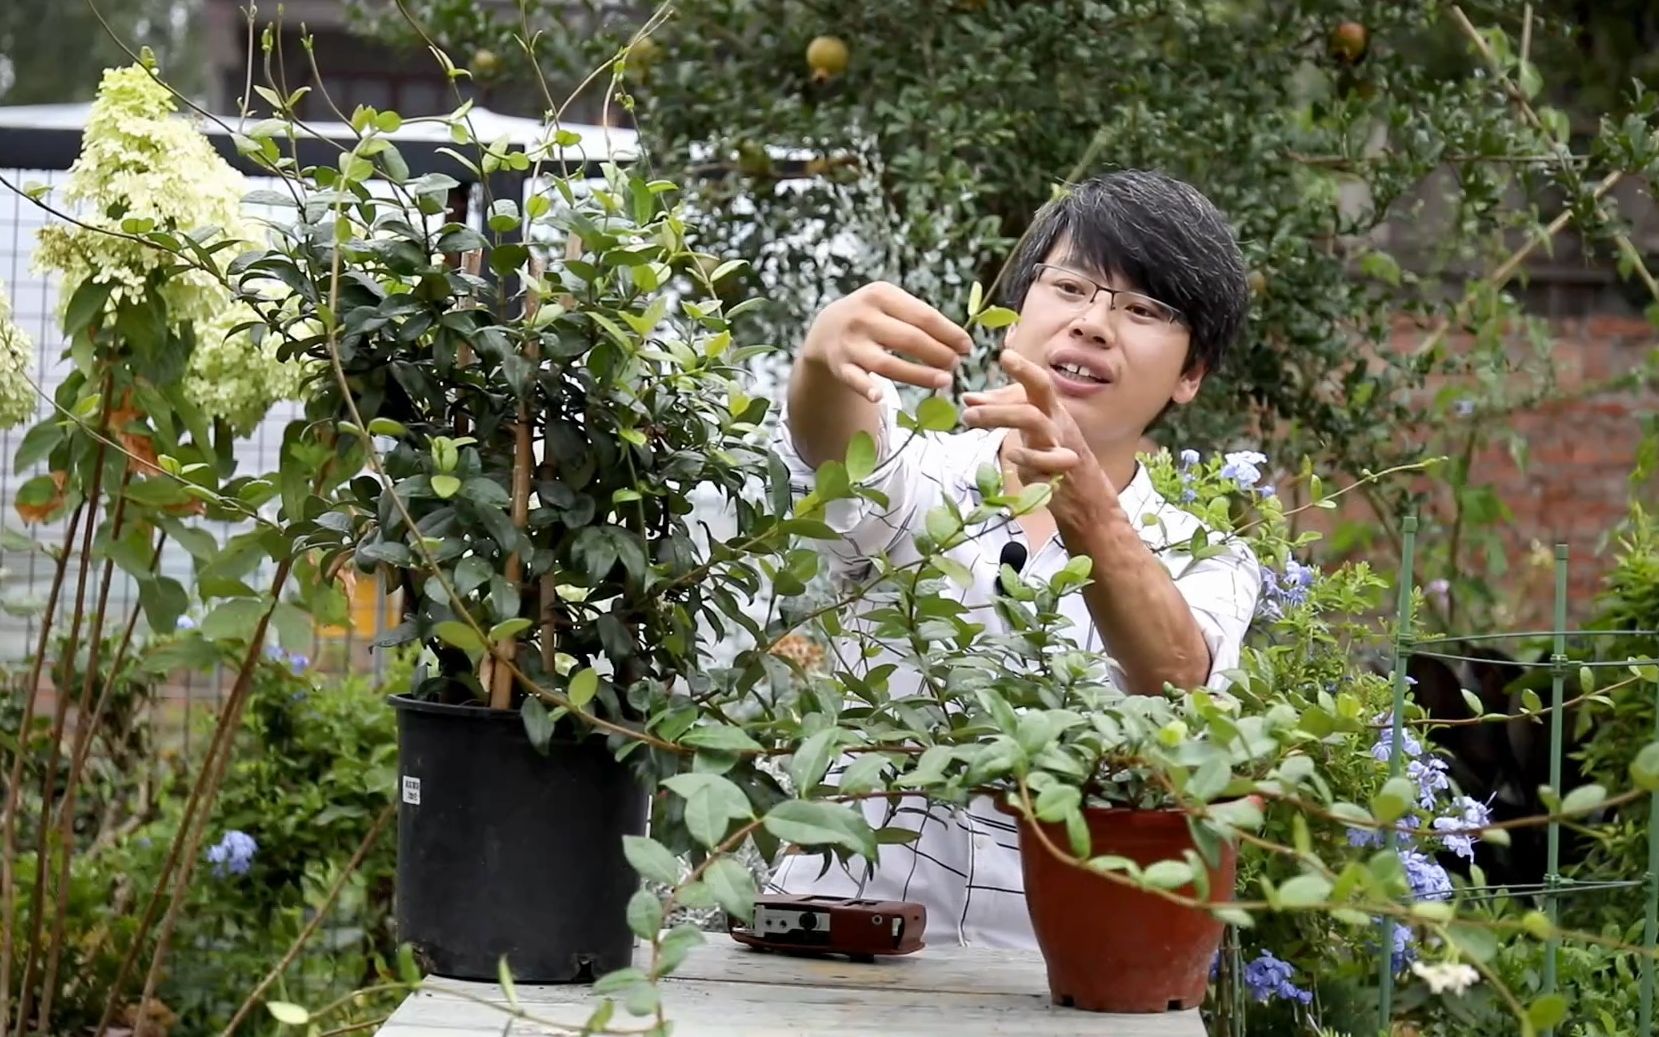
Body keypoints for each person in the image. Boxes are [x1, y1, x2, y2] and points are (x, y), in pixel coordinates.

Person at [765, 169, 1263, 949]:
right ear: (1017, 309)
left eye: (1142, 309)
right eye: (1069, 286)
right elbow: (840, 457)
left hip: (1053, 973)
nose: (1093, 325)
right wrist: (822, 361)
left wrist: (1084, 505)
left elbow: (1174, 674)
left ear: (1190, 373)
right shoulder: (919, 474)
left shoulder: (1209, 559)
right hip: (839, 948)